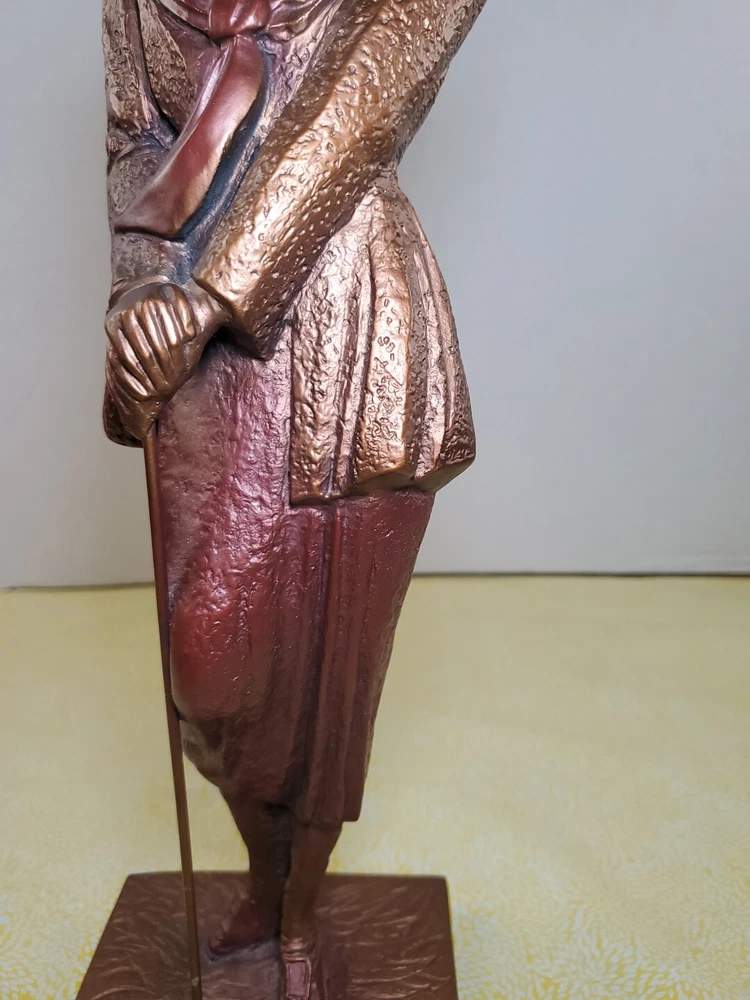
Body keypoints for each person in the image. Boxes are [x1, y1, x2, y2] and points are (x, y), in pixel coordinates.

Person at [102, 0, 484, 995]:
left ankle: (295, 913)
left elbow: (359, 103)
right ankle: (268, 877)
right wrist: (141, 295)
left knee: (328, 674)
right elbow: (135, 140)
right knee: (210, 666)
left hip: (351, 322)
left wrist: (209, 296)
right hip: (200, 352)